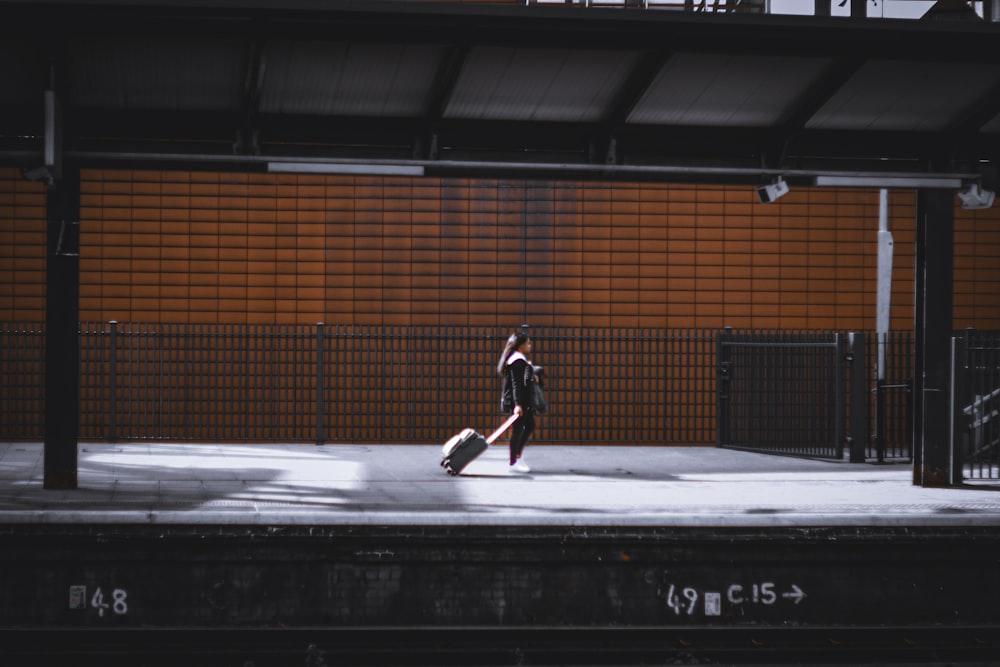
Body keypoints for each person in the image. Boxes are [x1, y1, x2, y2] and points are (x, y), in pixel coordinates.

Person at [497, 330, 537, 474]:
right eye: (527, 343)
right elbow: (516, 384)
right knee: (518, 431)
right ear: (520, 346)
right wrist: (518, 405)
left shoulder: (518, 359)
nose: (530, 345)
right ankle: (514, 461)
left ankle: (517, 457)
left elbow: (522, 380)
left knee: (529, 426)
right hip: (518, 402)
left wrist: (532, 375)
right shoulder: (517, 361)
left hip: (521, 401)